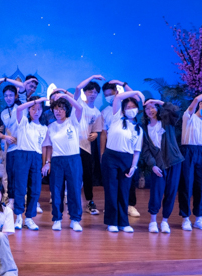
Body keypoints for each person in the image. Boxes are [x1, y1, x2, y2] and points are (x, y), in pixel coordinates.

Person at [101, 89, 145, 232]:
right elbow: (118, 97)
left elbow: (137, 150)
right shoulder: (116, 118)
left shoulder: (138, 129)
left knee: (124, 191)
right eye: (128, 107)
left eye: (133, 107)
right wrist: (136, 92)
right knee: (111, 190)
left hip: (127, 159)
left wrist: (134, 166)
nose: (131, 110)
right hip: (111, 157)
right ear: (123, 110)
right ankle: (112, 221)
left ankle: (124, 222)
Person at [43, 91, 85, 231]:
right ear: (52, 110)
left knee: (74, 189)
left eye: (61, 108)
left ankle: (75, 219)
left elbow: (79, 108)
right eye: (56, 109)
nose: (58, 111)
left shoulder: (73, 121)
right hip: (57, 161)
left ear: (66, 109)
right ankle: (57, 219)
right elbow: (48, 147)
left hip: (73, 159)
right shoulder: (51, 127)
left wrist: (67, 96)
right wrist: (47, 162)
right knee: (56, 190)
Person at [141, 100, 184, 234]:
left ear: (158, 109)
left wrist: (158, 101)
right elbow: (145, 150)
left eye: (153, 107)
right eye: (147, 108)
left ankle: (165, 221)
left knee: (171, 192)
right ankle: (153, 221)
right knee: (156, 193)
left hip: (174, 162)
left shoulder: (167, 121)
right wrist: (152, 165)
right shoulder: (144, 127)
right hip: (158, 165)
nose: (150, 110)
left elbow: (176, 110)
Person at [178, 91, 202, 231]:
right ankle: (185, 218)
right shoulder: (189, 117)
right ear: (201, 104)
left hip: (201, 152)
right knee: (186, 184)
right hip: (188, 151)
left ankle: (199, 218)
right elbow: (195, 100)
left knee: (201, 185)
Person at [13, 96, 49, 231]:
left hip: (37, 157)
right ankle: (18, 217)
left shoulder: (44, 128)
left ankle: (29, 218)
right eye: (33, 109)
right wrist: (34, 101)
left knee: (35, 188)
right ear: (29, 110)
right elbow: (19, 108)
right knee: (20, 188)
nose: (36, 111)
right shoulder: (23, 122)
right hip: (22, 155)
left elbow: (45, 147)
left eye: (39, 109)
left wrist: (46, 162)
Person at [74, 75, 104, 217]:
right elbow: (78, 87)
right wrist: (92, 77)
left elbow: (96, 130)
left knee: (87, 175)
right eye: (90, 91)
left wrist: (96, 135)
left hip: (86, 147)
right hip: (73, 145)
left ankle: (90, 201)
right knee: (73, 174)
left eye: (95, 92)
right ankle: (70, 200)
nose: (92, 94)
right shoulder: (79, 104)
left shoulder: (97, 113)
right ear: (85, 93)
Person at [0, 84, 21, 210]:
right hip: (9, 147)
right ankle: (10, 199)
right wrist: (5, 137)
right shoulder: (3, 113)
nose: (8, 98)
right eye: (6, 96)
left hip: (22, 147)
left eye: (11, 95)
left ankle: (22, 198)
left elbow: (22, 86)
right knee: (9, 174)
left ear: (16, 96)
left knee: (21, 174)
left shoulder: (22, 108)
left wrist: (5, 80)